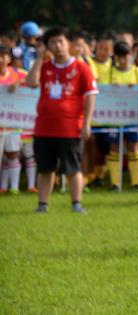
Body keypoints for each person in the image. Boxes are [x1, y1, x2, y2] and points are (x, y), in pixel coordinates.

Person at [25, 27, 98, 214]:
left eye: (61, 42)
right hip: (44, 128)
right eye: (52, 43)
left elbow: (91, 95)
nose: (57, 46)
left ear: (69, 44)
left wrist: (87, 123)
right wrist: (40, 59)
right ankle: (42, 205)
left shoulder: (81, 67)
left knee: (73, 168)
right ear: (47, 46)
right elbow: (31, 83)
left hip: (70, 127)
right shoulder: (45, 66)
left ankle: (76, 204)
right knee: (45, 169)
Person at [104, 41, 138, 189]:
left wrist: (134, 89)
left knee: (134, 147)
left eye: (126, 56)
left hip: (133, 116)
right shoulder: (109, 73)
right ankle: (115, 183)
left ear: (131, 55)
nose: (123, 60)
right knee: (114, 147)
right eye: (120, 56)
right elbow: (102, 92)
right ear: (115, 57)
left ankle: (135, 182)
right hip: (114, 116)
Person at [0, 46, 28, 194]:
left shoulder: (18, 74)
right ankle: (2, 187)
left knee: (12, 154)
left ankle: (14, 188)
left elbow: (33, 82)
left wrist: (19, 84)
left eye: (4, 56)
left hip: (13, 123)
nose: (1, 60)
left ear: (9, 59)